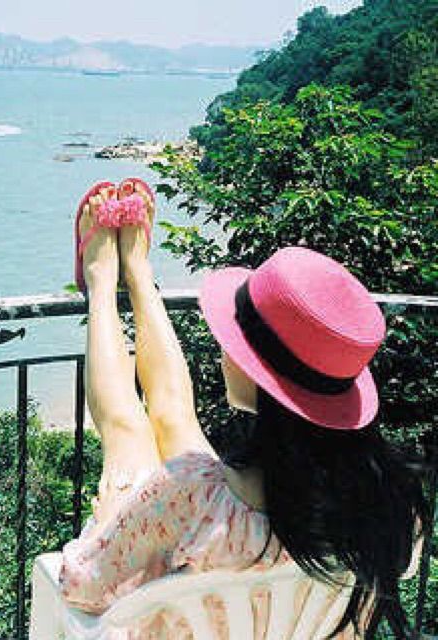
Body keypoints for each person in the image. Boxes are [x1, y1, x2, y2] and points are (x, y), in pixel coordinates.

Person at [58, 178, 430, 638]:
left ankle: (102, 281)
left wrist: (115, 514)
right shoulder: (392, 505)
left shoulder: (194, 495)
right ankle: (137, 273)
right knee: (175, 420)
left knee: (126, 434)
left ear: (257, 374)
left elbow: (80, 586)